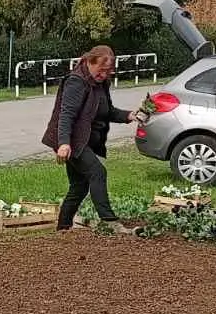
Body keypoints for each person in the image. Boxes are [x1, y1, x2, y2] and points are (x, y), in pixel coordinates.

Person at [42, 45, 145, 230]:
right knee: (98, 172)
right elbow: (66, 115)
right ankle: (109, 221)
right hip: (72, 141)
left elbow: (106, 111)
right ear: (90, 62)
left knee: (79, 187)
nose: (104, 75)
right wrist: (63, 143)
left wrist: (129, 115)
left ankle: (63, 228)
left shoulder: (101, 83)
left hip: (85, 140)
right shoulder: (76, 82)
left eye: (108, 71)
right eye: (101, 70)